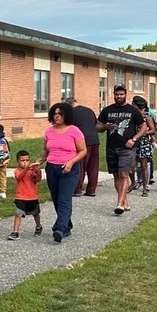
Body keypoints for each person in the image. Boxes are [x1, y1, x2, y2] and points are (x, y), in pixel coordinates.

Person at [36, 101, 87, 242]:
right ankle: (67, 225)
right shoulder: (49, 131)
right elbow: (46, 151)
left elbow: (83, 151)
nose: (57, 116)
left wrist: (71, 162)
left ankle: (59, 228)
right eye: (55, 113)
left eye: (60, 114)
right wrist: (39, 162)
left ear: (67, 115)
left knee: (64, 199)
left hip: (69, 169)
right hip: (52, 168)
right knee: (56, 199)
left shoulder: (74, 131)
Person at [98, 85, 147, 216]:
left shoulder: (133, 110)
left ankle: (119, 204)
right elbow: (97, 126)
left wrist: (134, 139)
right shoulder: (107, 110)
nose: (119, 97)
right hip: (111, 147)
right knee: (116, 176)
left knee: (124, 175)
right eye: (116, 94)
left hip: (127, 148)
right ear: (113, 94)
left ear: (125, 94)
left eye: (121, 94)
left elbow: (144, 126)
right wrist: (105, 126)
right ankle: (124, 201)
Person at [66, 97, 100, 196]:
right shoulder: (89, 110)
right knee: (93, 166)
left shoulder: (71, 113)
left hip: (81, 141)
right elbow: (95, 124)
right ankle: (91, 189)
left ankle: (77, 189)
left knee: (80, 165)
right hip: (94, 140)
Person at [8, 150, 43, 240]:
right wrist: (25, 169)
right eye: (22, 161)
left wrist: (38, 171)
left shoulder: (31, 171)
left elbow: (38, 179)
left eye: (27, 160)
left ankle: (38, 226)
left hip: (32, 197)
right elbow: (19, 176)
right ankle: (15, 232)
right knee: (18, 214)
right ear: (18, 162)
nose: (25, 162)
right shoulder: (17, 171)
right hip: (21, 197)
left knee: (35, 213)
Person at [130, 96, 157, 197]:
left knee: (144, 166)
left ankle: (145, 188)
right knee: (131, 165)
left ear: (140, 107)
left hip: (144, 143)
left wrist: (143, 133)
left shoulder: (147, 117)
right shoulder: (131, 116)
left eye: (134, 105)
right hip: (134, 142)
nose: (132, 107)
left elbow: (153, 129)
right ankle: (133, 182)